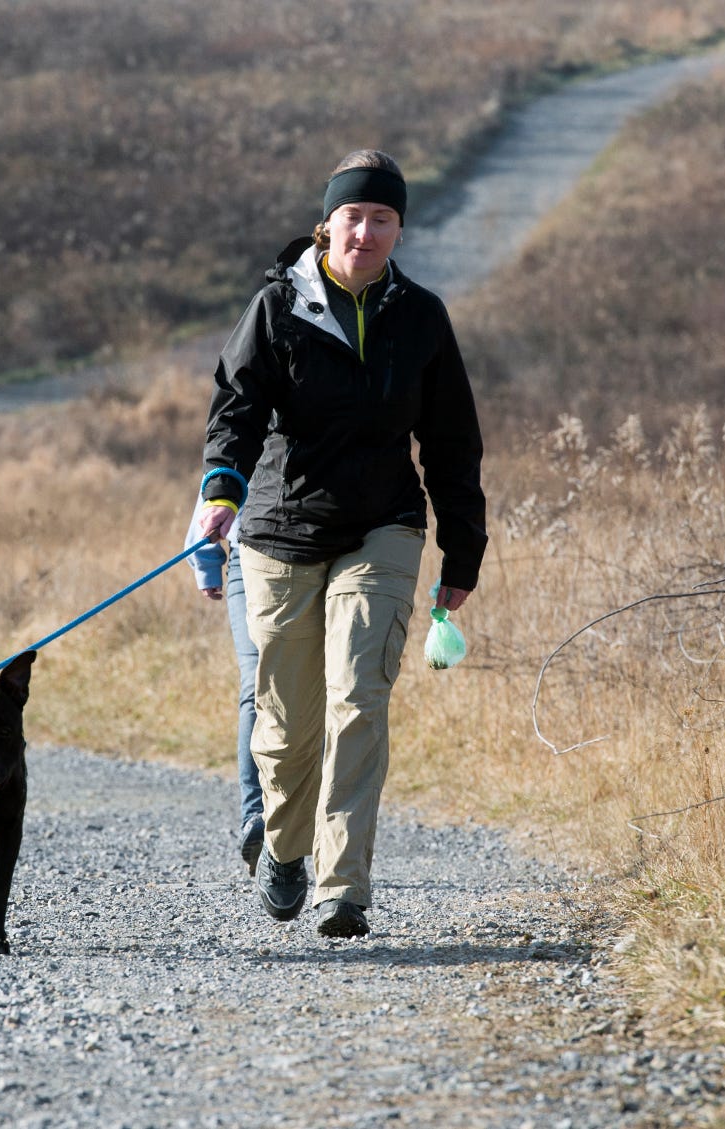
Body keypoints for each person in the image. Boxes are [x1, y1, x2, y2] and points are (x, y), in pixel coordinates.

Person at [196, 150, 486, 939]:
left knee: (359, 697)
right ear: (327, 222)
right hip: (281, 531)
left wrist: (463, 555)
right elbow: (237, 410)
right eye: (353, 215)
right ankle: (286, 851)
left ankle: (342, 884)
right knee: (288, 727)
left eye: (382, 218)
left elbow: (454, 443)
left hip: (383, 527)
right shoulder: (277, 307)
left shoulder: (420, 316)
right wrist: (221, 489)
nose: (365, 230)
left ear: (398, 229)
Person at [181, 508, 265, 874]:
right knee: (258, 685)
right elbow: (221, 471)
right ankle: (256, 819)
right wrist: (206, 559)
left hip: (332, 550)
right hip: (250, 557)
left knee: (324, 687)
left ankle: (315, 821)